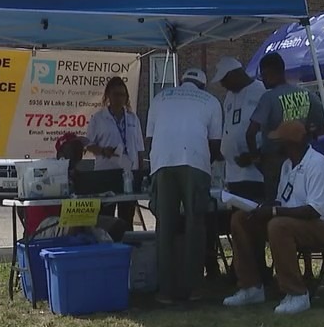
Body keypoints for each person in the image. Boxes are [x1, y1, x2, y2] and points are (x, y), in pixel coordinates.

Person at [223, 120, 324, 315]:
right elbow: (282, 201)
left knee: (278, 225)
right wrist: (261, 208)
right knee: (241, 219)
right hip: (293, 222)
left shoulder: (317, 164)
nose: (274, 146)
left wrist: (273, 213)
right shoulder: (288, 165)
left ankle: (297, 294)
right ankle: (251, 287)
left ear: (291, 144)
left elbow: (313, 211)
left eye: (279, 142)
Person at [147, 68, 223, 305]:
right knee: (195, 225)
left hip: (162, 163)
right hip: (196, 163)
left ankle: (165, 292)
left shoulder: (160, 97)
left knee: (165, 226)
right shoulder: (210, 101)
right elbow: (216, 144)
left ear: (181, 82)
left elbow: (149, 138)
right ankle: (194, 289)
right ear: (202, 85)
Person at [211, 56, 272, 281]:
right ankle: (242, 269)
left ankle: (259, 269)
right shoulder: (229, 96)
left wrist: (255, 155)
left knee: (253, 223)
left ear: (235, 75)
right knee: (238, 223)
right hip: (234, 172)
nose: (223, 86)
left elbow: (267, 129)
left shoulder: (261, 91)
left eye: (225, 81)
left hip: (254, 173)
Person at [240, 52, 324, 202]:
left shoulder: (269, 97)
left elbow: (250, 133)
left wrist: (256, 159)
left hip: (274, 161)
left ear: (272, 73)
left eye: (264, 75)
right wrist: (310, 132)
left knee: (275, 203)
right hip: (302, 159)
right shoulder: (306, 94)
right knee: (300, 199)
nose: (263, 80)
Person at [23, 133, 129, 242]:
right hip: (44, 224)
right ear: (61, 153)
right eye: (74, 148)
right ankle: (71, 257)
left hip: (75, 218)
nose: (78, 153)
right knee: (76, 225)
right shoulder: (48, 170)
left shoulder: (76, 176)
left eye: (81, 150)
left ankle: (108, 256)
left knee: (117, 225)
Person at [86, 77, 145, 229]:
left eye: (122, 95)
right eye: (115, 94)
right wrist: (103, 151)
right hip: (106, 173)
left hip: (128, 171)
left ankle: (127, 246)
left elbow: (139, 147)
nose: (119, 98)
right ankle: (107, 247)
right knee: (106, 216)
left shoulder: (133, 118)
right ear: (108, 96)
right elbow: (88, 145)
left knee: (127, 216)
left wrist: (139, 173)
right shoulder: (98, 118)